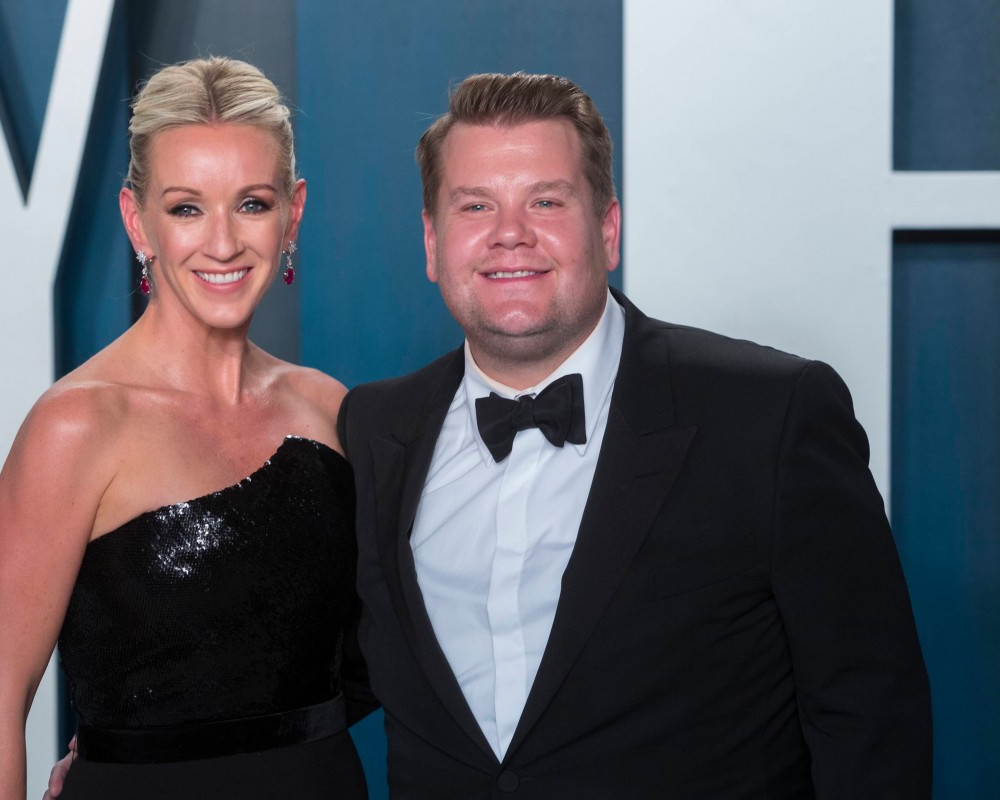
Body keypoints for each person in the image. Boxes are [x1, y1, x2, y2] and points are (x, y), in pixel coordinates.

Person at [336, 72, 932, 797]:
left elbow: (869, 715)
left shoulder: (771, 414)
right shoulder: (372, 430)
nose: (509, 234)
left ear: (608, 230)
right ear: (433, 242)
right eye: (475, 206)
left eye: (546, 201)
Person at [0, 57, 371, 800]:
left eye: (251, 203)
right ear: (135, 219)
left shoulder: (329, 411)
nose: (222, 243)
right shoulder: (77, 426)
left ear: (294, 213)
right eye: (186, 208)